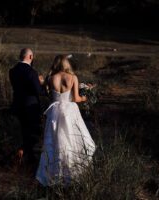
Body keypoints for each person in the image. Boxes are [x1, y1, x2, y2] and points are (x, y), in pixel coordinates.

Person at [36, 55, 96, 186]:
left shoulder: (51, 78)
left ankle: (53, 175)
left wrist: (42, 82)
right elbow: (75, 98)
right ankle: (73, 175)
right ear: (66, 64)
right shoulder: (73, 77)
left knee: (54, 142)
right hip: (70, 111)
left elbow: (48, 94)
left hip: (55, 112)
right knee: (74, 140)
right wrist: (85, 97)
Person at [9, 48, 45, 168]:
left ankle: (22, 154)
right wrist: (40, 82)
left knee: (23, 131)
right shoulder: (31, 72)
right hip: (30, 107)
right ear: (30, 57)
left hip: (17, 105)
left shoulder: (12, 71)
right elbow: (38, 91)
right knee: (33, 132)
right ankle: (26, 156)